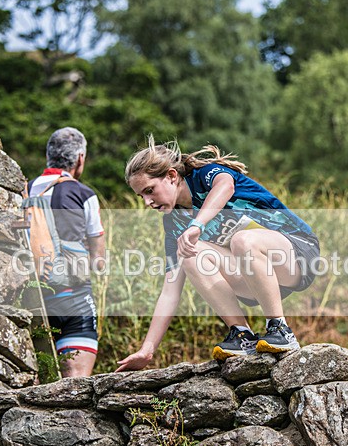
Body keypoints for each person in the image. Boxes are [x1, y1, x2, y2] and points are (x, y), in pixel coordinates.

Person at [115, 136, 319, 372]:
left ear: (171, 176)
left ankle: (280, 328)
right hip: (253, 278)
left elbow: (226, 186)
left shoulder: (205, 176)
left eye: (150, 191)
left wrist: (197, 224)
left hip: (297, 254)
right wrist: (147, 349)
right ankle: (242, 335)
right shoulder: (173, 224)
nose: (148, 202)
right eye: (142, 196)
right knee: (190, 253)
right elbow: (170, 291)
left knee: (243, 240)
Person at [25, 127, 105, 377]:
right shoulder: (84, 194)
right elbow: (98, 260)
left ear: (48, 156)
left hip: (31, 297)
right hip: (74, 296)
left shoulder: (25, 191)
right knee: (75, 383)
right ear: (80, 158)